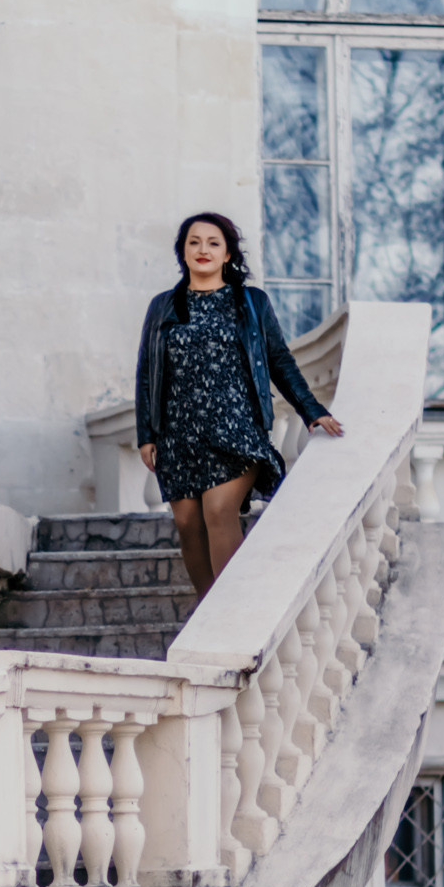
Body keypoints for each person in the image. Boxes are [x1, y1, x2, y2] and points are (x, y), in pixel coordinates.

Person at [133, 211, 344, 601]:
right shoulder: (163, 306)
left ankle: (231, 611)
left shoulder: (250, 303)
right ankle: (206, 611)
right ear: (183, 251)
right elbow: (147, 372)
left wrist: (311, 410)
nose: (203, 250)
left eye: (214, 243)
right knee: (187, 522)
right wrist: (147, 434)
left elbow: (279, 360)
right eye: (194, 242)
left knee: (218, 510)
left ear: (228, 254)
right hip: (178, 434)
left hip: (235, 429)